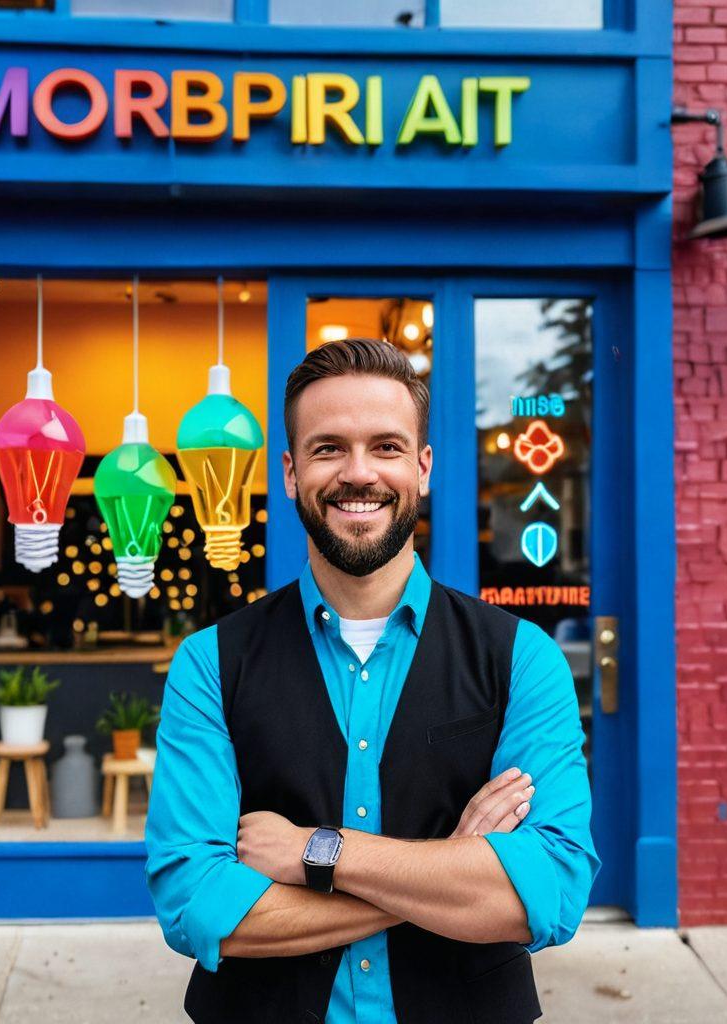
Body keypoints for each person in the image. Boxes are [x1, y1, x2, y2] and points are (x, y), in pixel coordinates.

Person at [145, 338, 600, 1023]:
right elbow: (198, 908)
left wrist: (314, 851)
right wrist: (448, 868)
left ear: (423, 468)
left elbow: (548, 895)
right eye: (329, 448)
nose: (359, 474)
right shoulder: (211, 662)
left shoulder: (520, 657)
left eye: (386, 447)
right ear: (292, 473)